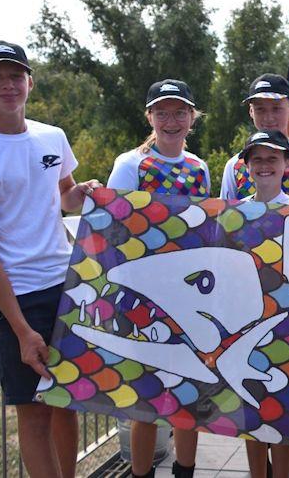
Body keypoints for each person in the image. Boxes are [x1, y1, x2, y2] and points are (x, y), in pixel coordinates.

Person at [0, 40, 100, 478]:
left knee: (66, 402)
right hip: (16, 298)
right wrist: (20, 329)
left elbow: (64, 198)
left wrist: (84, 192)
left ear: (30, 82)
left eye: (15, 75)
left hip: (67, 286)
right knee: (34, 416)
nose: (8, 85)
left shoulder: (51, 137)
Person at [107, 79, 209, 478]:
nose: (171, 120)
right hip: (142, 298)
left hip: (189, 297)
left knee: (189, 396)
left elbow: (206, 230)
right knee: (146, 401)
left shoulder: (198, 167)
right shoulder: (130, 164)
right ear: (149, 116)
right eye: (162, 112)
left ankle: (185, 471)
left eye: (180, 112)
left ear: (191, 117)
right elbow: (115, 229)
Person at [234, 129, 289, 477]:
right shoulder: (233, 213)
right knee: (251, 410)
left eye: (272, 158)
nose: (264, 165)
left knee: (285, 413)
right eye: (256, 158)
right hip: (244, 329)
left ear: (287, 164)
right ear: (245, 166)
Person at [220, 74, 289, 201]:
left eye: (276, 109)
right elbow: (225, 215)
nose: (268, 117)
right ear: (251, 112)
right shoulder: (235, 166)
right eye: (260, 109)